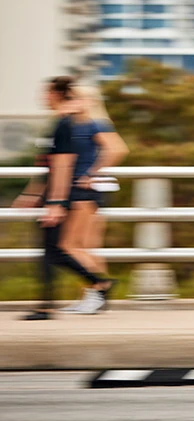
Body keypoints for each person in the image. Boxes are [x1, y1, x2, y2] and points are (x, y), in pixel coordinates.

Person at [12, 77, 113, 320]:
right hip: (66, 193)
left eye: (46, 93)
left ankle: (97, 289)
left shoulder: (83, 124)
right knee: (64, 249)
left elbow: (63, 164)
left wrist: (58, 200)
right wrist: (35, 193)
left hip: (76, 193)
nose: (42, 97)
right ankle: (92, 291)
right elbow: (48, 164)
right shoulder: (66, 123)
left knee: (67, 248)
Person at [57, 85, 129, 313]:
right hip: (84, 191)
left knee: (70, 246)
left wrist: (91, 173)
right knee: (88, 247)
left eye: (75, 97)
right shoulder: (75, 125)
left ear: (88, 101)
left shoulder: (94, 124)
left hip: (83, 192)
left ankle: (98, 288)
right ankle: (94, 298)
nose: (71, 101)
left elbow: (117, 149)